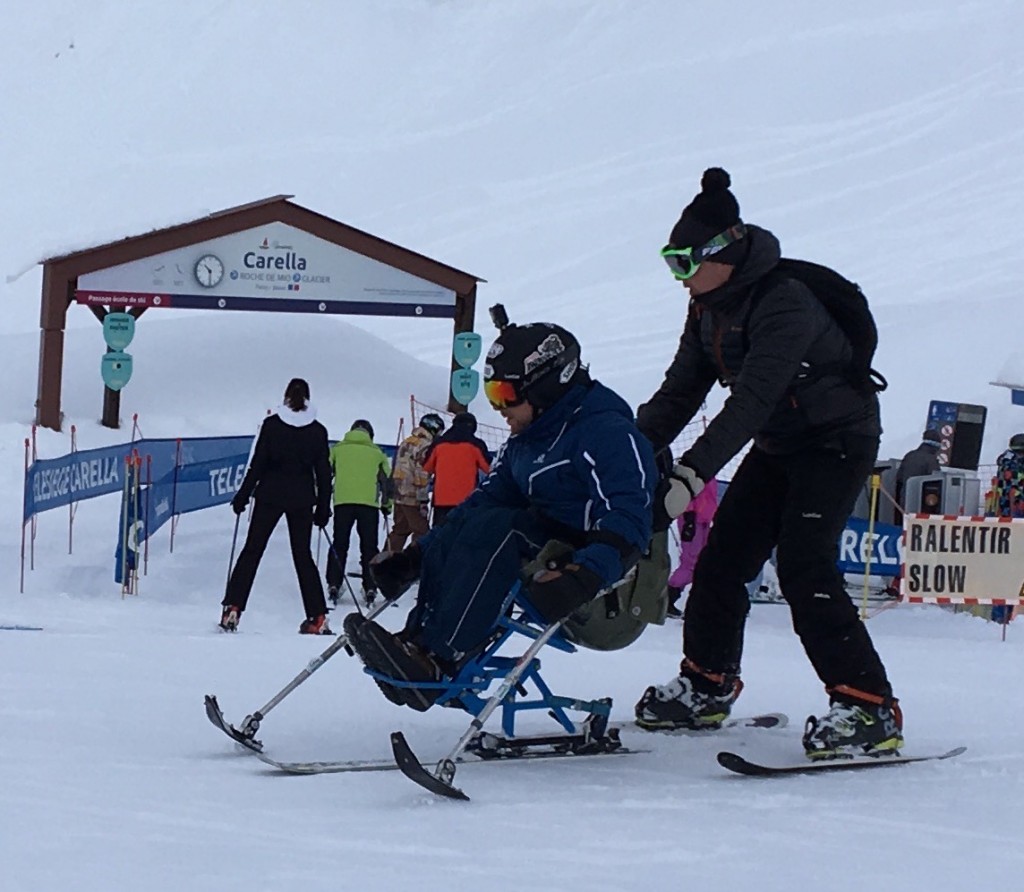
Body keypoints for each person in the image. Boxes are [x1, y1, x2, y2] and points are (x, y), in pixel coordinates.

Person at [632, 167, 902, 759]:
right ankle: (707, 683)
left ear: (722, 252)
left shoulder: (785, 302)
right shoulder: (707, 310)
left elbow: (748, 403)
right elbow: (681, 392)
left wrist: (689, 475)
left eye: (684, 263)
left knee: (806, 564)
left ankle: (867, 706)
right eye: (669, 263)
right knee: (723, 561)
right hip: (781, 443)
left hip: (836, 440)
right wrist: (625, 448)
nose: (678, 279)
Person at [343, 320, 656, 711]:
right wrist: (416, 557)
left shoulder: (605, 432)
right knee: (471, 521)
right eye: (491, 393)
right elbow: (478, 505)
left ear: (547, 384)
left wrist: (586, 574)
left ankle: (441, 657)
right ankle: (417, 645)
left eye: (504, 393)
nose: (497, 407)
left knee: (500, 528)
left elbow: (629, 517)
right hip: (545, 556)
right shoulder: (527, 440)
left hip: (605, 590)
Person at [221, 378, 333, 635]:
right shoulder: (317, 431)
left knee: (252, 551)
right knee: (303, 556)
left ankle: (233, 608)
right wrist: (323, 507)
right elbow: (323, 474)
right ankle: (317, 616)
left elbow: (258, 464)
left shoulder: (272, 425)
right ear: (307, 398)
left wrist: (243, 495)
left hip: (270, 494)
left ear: (286, 397)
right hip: (302, 498)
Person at [325, 419, 393, 605]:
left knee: (340, 544)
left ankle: (334, 583)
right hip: (368, 505)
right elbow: (387, 482)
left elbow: (324, 474)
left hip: (343, 503)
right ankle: (370, 586)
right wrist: (387, 505)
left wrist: (321, 500)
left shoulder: (338, 449)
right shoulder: (376, 453)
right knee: (369, 547)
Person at [384, 413, 445, 552]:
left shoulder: (407, 441)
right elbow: (421, 472)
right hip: (413, 496)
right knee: (422, 532)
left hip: (399, 494)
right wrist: (423, 499)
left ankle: (384, 563)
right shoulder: (426, 446)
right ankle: (414, 564)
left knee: (400, 530)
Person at [422, 412, 491, 526]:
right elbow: (489, 469)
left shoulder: (438, 444)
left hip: (441, 501)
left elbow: (427, 467)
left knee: (440, 538)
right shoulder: (476, 445)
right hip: (467, 501)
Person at [665, 478, 719, 617]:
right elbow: (688, 491)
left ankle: (697, 602)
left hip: (704, 519)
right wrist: (689, 515)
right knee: (691, 562)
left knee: (703, 561)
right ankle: (667, 598)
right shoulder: (697, 471)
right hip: (693, 519)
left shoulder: (710, 472)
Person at [894, 428, 942, 522]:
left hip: (904, 502)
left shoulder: (909, 455)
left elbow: (899, 478)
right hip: (923, 507)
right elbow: (936, 483)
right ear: (935, 446)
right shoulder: (931, 460)